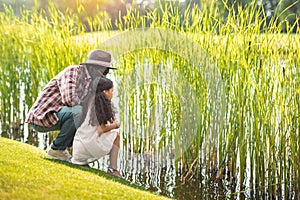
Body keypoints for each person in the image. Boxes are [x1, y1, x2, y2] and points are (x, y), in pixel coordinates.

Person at [26, 50, 117, 162]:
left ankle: (77, 157)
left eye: (106, 72)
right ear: (94, 68)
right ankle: (56, 149)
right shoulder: (73, 72)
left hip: (60, 115)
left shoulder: (91, 81)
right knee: (78, 112)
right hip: (42, 116)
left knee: (86, 116)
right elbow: (70, 100)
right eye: (104, 71)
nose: (104, 75)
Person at [71, 77, 122, 178]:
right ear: (105, 92)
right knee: (116, 136)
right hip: (86, 147)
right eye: (112, 91)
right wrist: (116, 125)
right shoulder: (99, 105)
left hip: (78, 149)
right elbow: (100, 129)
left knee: (109, 136)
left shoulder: (90, 101)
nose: (112, 94)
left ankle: (83, 160)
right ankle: (112, 169)